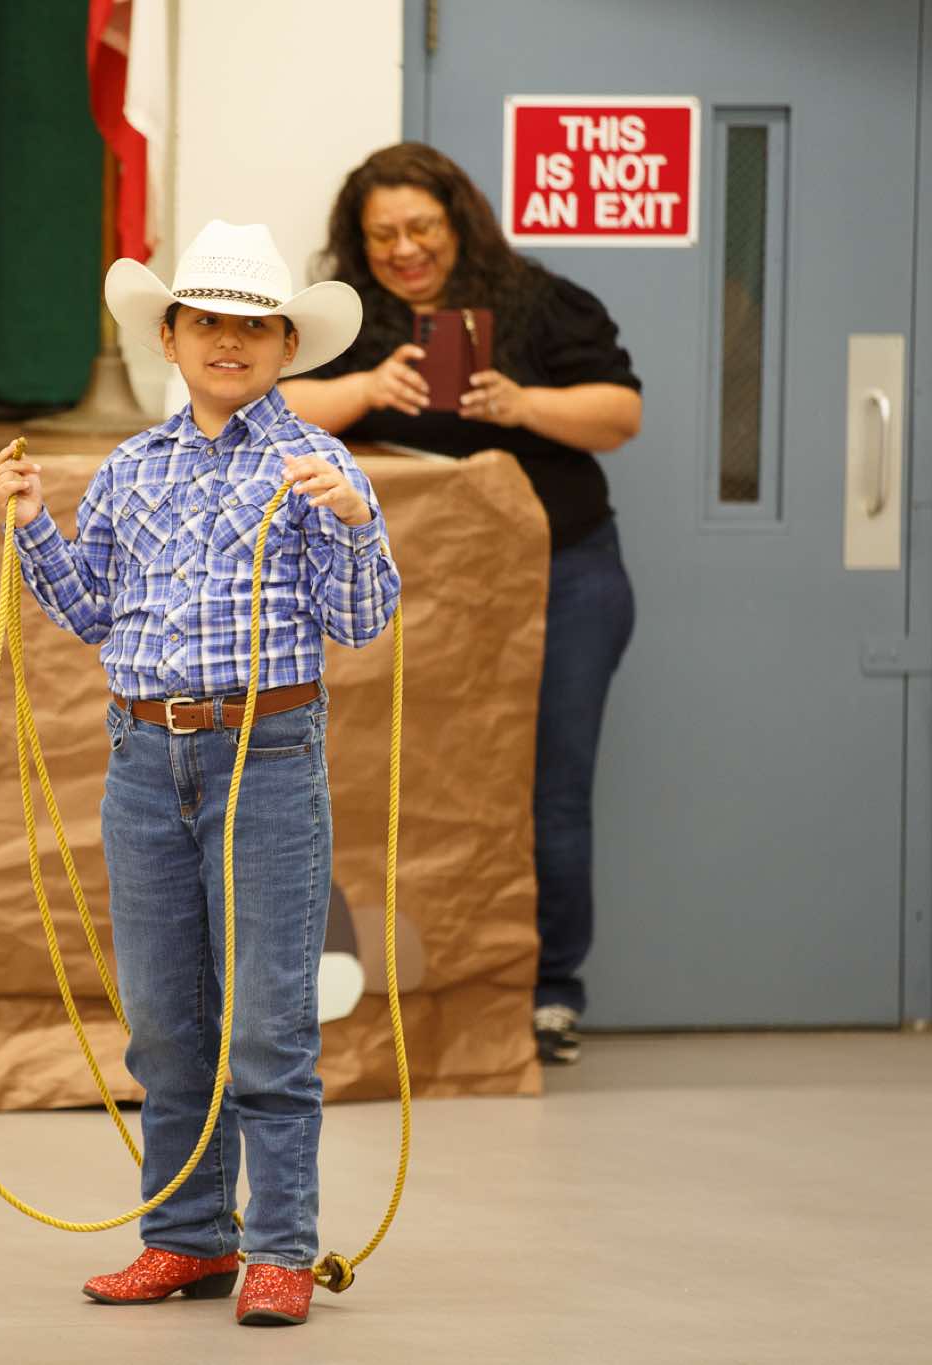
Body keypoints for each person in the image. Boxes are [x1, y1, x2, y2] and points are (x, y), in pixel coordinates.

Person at [0, 219, 400, 1328]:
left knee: (266, 1022)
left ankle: (280, 1247)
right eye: (206, 322)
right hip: (143, 757)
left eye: (252, 327)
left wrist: (354, 520)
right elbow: (91, 610)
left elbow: (360, 622)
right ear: (167, 337)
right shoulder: (131, 469)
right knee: (167, 1021)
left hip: (266, 755)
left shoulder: (316, 464)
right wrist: (31, 525)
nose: (228, 341)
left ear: (285, 346)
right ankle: (186, 1237)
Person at [280, 142, 641, 1067]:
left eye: (422, 228)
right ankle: (426, 978)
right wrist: (365, 388)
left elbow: (620, 415)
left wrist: (522, 405)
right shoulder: (345, 321)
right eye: (383, 235)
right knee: (411, 778)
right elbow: (262, 412)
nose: (405, 249)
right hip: (409, 594)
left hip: (565, 573)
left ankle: (549, 991)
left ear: (459, 223)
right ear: (357, 241)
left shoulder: (541, 302)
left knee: (551, 787)